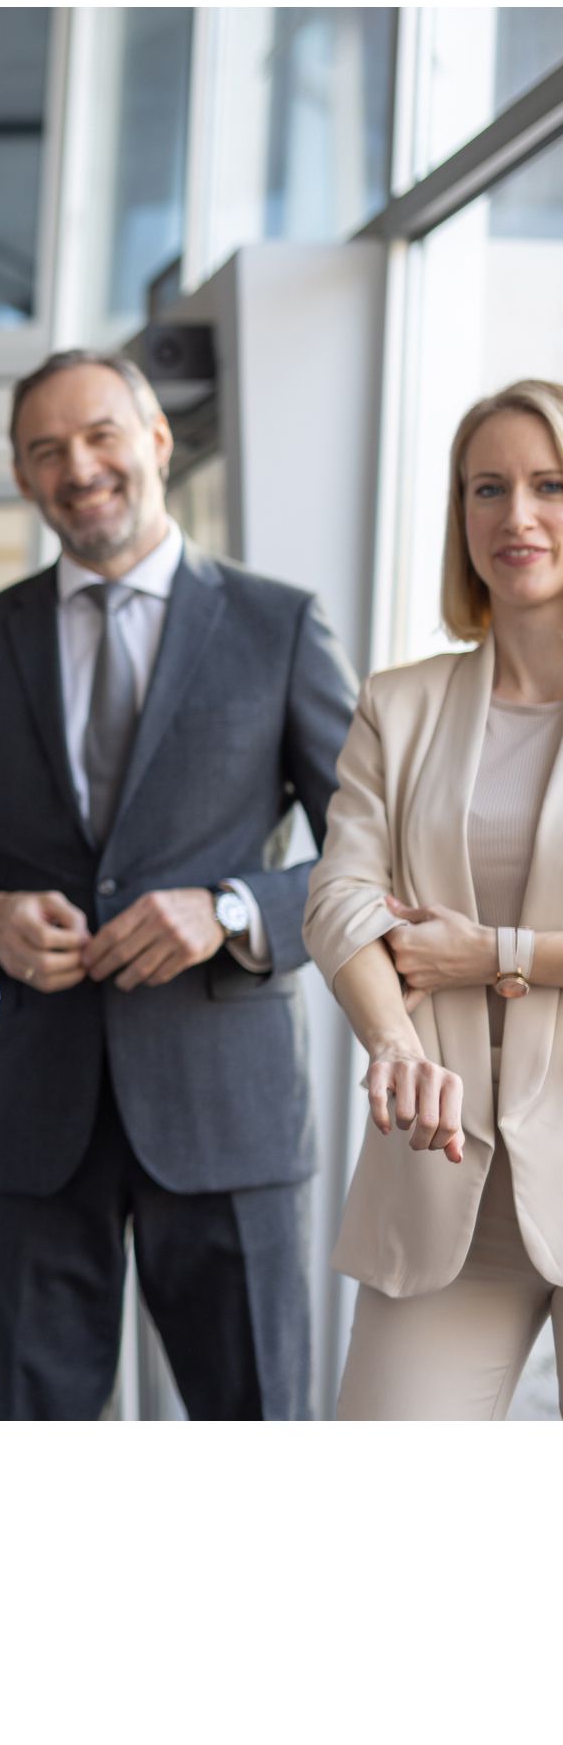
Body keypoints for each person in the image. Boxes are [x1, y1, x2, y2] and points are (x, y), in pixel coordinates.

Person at [0, 348, 357, 1419]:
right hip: (36, 1106)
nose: (78, 466)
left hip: (225, 1107)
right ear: (25, 479)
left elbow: (371, 849)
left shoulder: (277, 624)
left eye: (99, 435)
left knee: (253, 1419)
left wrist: (229, 910)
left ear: (154, 440)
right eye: (45, 450)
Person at [306, 379, 563, 1419]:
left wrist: (490, 951)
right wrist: (391, 1041)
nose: (515, 514)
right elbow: (337, 898)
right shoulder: (398, 702)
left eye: (549, 483)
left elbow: (433, 938)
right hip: (444, 1164)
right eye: (485, 488)